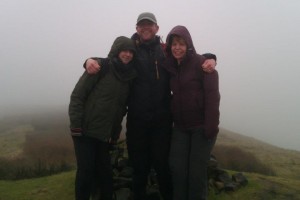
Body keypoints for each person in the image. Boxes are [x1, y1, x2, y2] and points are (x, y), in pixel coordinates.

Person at [83, 12, 217, 200]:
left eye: (150, 25)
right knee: (139, 167)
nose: (146, 28)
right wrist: (89, 60)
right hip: (137, 120)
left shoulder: (165, 50)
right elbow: (112, 60)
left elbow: (189, 55)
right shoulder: (131, 50)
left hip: (162, 121)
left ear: (157, 28)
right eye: (142, 25)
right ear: (137, 28)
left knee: (163, 165)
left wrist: (211, 58)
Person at [68, 36, 137, 200]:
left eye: (131, 52)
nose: (127, 54)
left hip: (104, 136)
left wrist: (114, 136)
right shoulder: (101, 67)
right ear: (116, 51)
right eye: (124, 50)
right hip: (84, 132)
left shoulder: (128, 78)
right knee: (85, 172)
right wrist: (76, 126)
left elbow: (120, 110)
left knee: (105, 175)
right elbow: (77, 96)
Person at [163, 25, 220, 200]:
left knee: (196, 173)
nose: (177, 47)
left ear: (188, 44)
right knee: (177, 168)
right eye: (174, 44)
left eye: (181, 43)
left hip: (201, 128)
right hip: (180, 128)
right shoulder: (171, 66)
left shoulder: (202, 64)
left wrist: (210, 127)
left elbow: (212, 96)